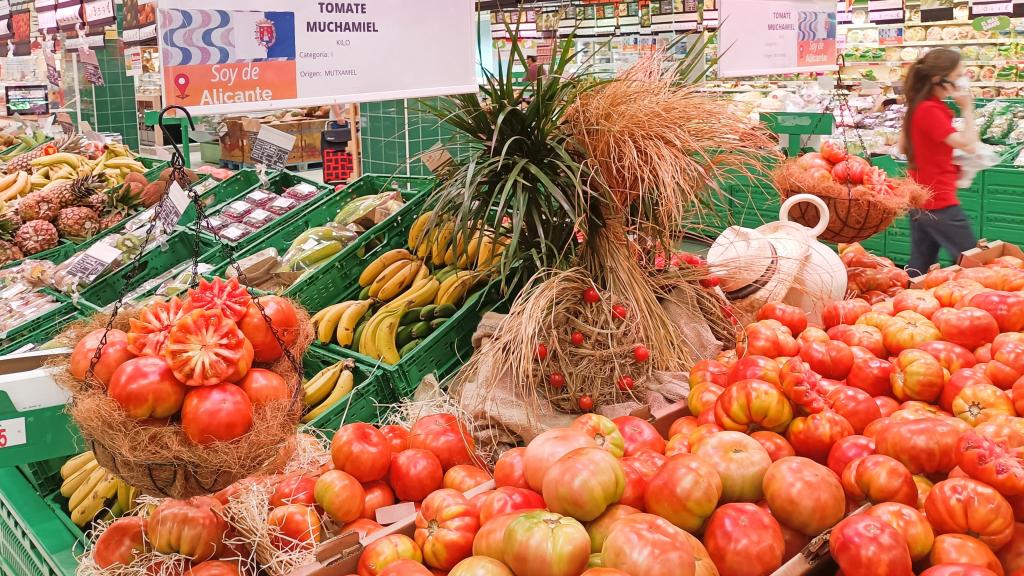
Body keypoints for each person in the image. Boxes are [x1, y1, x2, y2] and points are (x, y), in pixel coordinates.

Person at [902, 48, 979, 274]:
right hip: (939, 201)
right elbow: (969, 143)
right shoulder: (930, 110)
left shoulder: (918, 105)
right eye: (957, 76)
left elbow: (903, 146)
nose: (961, 82)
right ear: (939, 79)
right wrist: (967, 109)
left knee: (920, 265)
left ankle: (906, 302)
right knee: (973, 262)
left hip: (920, 196)